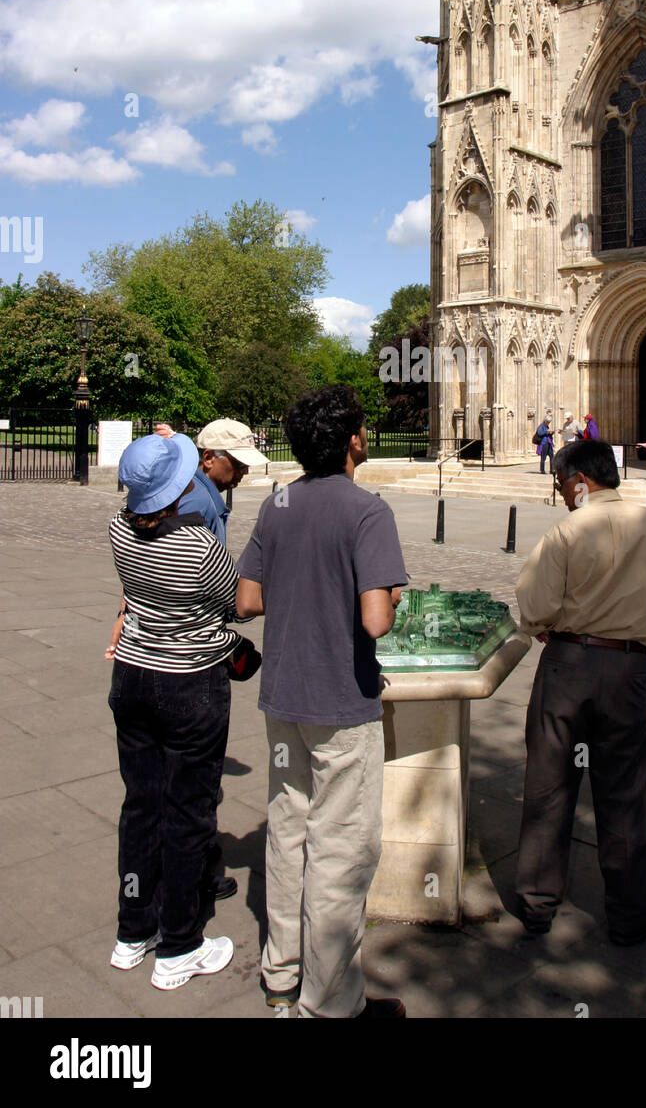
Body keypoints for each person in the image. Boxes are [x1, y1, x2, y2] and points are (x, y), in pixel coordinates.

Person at [236, 385, 408, 1019]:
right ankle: (331, 1003)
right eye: (360, 427)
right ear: (352, 440)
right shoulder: (368, 511)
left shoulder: (276, 504)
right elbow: (375, 623)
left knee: (287, 834)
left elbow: (248, 600)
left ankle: (280, 973)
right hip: (341, 700)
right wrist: (386, 596)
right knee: (340, 848)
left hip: (283, 696)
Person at [513, 437, 646, 945]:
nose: (562, 496)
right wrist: (645, 667)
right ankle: (633, 913)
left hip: (568, 666)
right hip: (630, 669)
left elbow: (534, 608)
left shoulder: (566, 531)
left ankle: (536, 904)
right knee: (629, 794)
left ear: (580, 483)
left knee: (548, 785)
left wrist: (555, 630)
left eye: (561, 486)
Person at [106, 433, 252, 989]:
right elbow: (237, 601)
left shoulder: (119, 529)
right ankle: (180, 945)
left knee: (140, 807)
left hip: (132, 677)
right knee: (187, 812)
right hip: (189, 683)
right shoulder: (195, 543)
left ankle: (132, 931)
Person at [154, 418, 268, 546]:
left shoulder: (196, 492)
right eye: (240, 464)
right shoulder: (197, 503)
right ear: (208, 458)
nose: (246, 471)